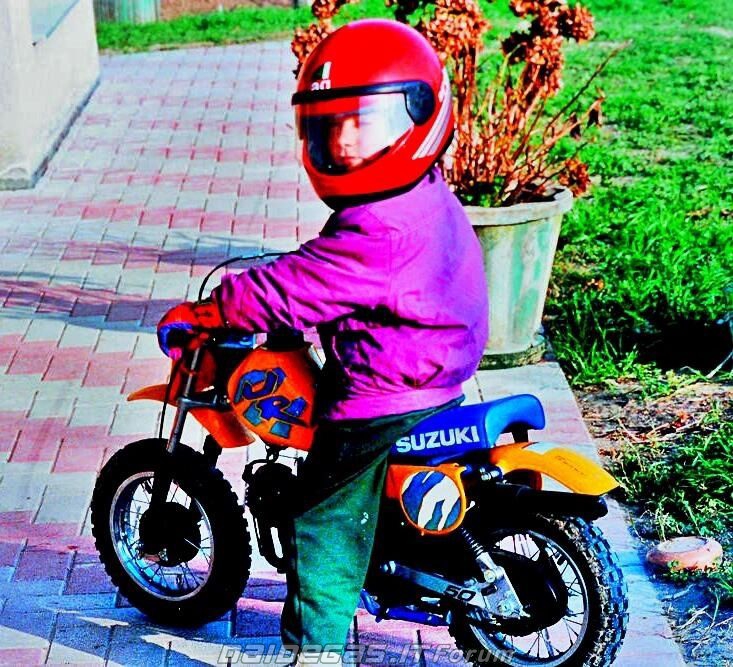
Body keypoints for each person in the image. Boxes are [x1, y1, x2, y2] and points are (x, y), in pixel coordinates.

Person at [158, 18, 488, 666]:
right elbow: (330, 276)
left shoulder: (375, 229)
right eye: (330, 125)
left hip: (382, 392)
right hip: (437, 365)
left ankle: (313, 651)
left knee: (320, 515)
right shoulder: (418, 193)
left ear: (415, 116)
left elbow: (293, 288)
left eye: (364, 123)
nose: (344, 140)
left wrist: (212, 309)